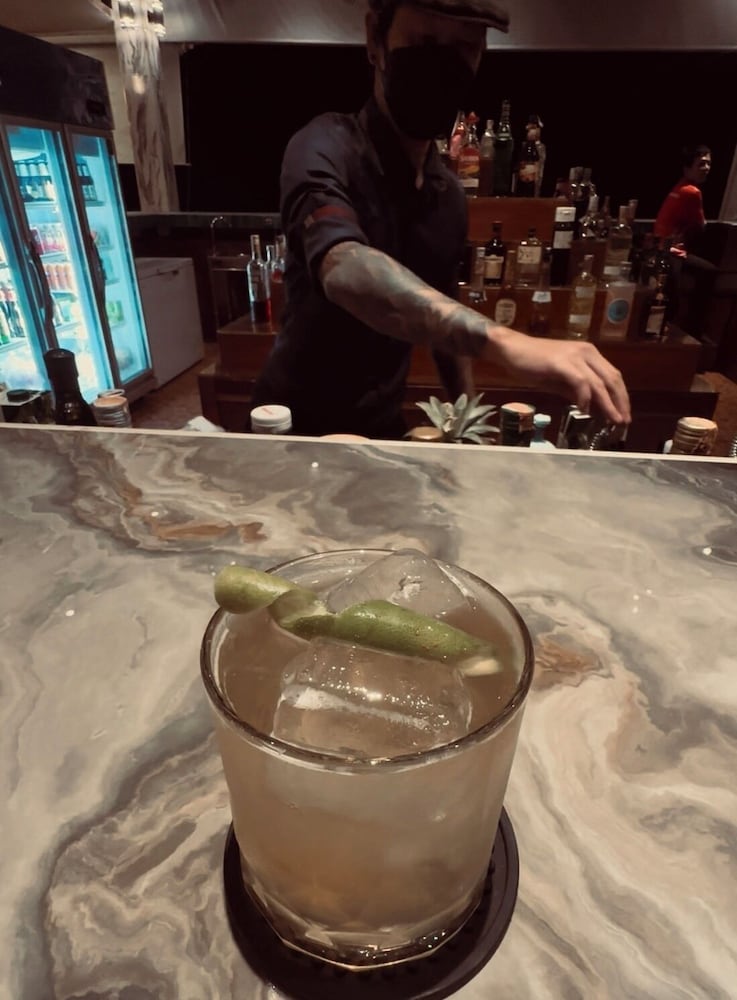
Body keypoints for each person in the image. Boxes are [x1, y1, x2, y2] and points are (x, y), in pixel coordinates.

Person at [250, 0, 630, 438]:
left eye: (465, 47)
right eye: (424, 40)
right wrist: (508, 343)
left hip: (381, 429)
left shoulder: (447, 196)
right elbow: (343, 267)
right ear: (375, 39)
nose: (442, 64)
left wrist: (466, 430)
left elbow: (444, 326)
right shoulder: (323, 146)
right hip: (292, 427)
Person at [654, 144, 712, 251]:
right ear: (687, 168)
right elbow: (701, 227)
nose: (707, 168)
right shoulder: (692, 192)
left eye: (709, 163)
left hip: (660, 247)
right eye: (701, 164)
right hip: (673, 252)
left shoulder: (679, 187)